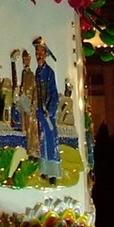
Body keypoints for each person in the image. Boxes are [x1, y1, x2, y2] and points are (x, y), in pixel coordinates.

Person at [33, 36, 61, 182]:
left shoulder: (49, 72)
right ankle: (43, 169)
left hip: (47, 112)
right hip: (38, 112)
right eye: (37, 52)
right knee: (40, 140)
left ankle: (53, 173)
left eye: (41, 52)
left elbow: (54, 94)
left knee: (50, 141)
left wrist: (49, 110)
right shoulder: (36, 72)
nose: (38, 55)